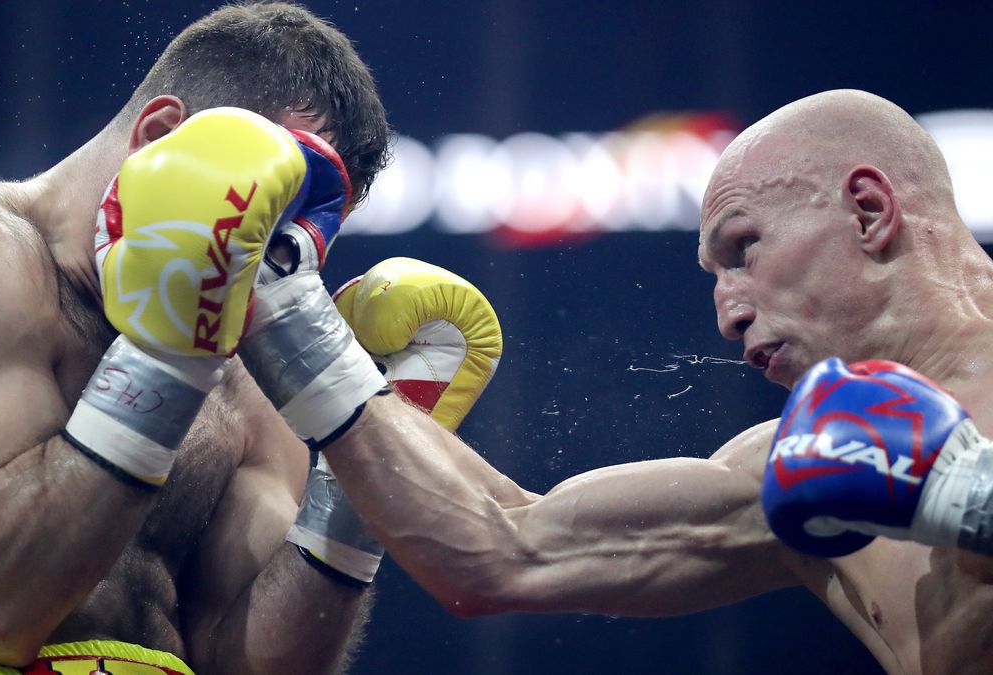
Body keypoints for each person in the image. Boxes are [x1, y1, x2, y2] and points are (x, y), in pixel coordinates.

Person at [229, 89, 993, 675]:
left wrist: (974, 498)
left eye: (744, 249)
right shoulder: (803, 463)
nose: (726, 313)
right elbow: (505, 547)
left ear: (868, 209)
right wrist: (301, 327)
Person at [0, 2, 454, 673]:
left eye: (293, 222)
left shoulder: (247, 346)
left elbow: (255, 664)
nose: (266, 251)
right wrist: (170, 350)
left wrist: (353, 490)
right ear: (161, 134)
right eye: (259, 199)